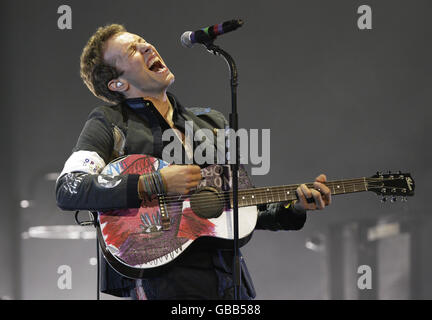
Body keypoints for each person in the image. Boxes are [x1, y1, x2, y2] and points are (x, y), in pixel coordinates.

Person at [55, 24, 332, 300]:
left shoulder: (211, 123)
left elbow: (240, 210)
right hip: (162, 283)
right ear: (118, 83)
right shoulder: (109, 123)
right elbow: (70, 188)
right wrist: (154, 182)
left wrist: (293, 207)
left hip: (231, 282)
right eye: (132, 49)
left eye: (144, 40)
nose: (147, 47)